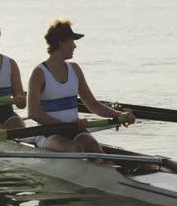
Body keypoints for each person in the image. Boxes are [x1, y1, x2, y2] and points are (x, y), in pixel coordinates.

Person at [27, 19, 135, 153]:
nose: (74, 46)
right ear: (61, 43)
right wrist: (66, 125)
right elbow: (33, 113)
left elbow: (93, 104)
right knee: (75, 149)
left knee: (94, 148)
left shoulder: (75, 69)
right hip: (48, 133)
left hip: (74, 130)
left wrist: (119, 114)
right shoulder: (39, 73)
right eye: (72, 41)